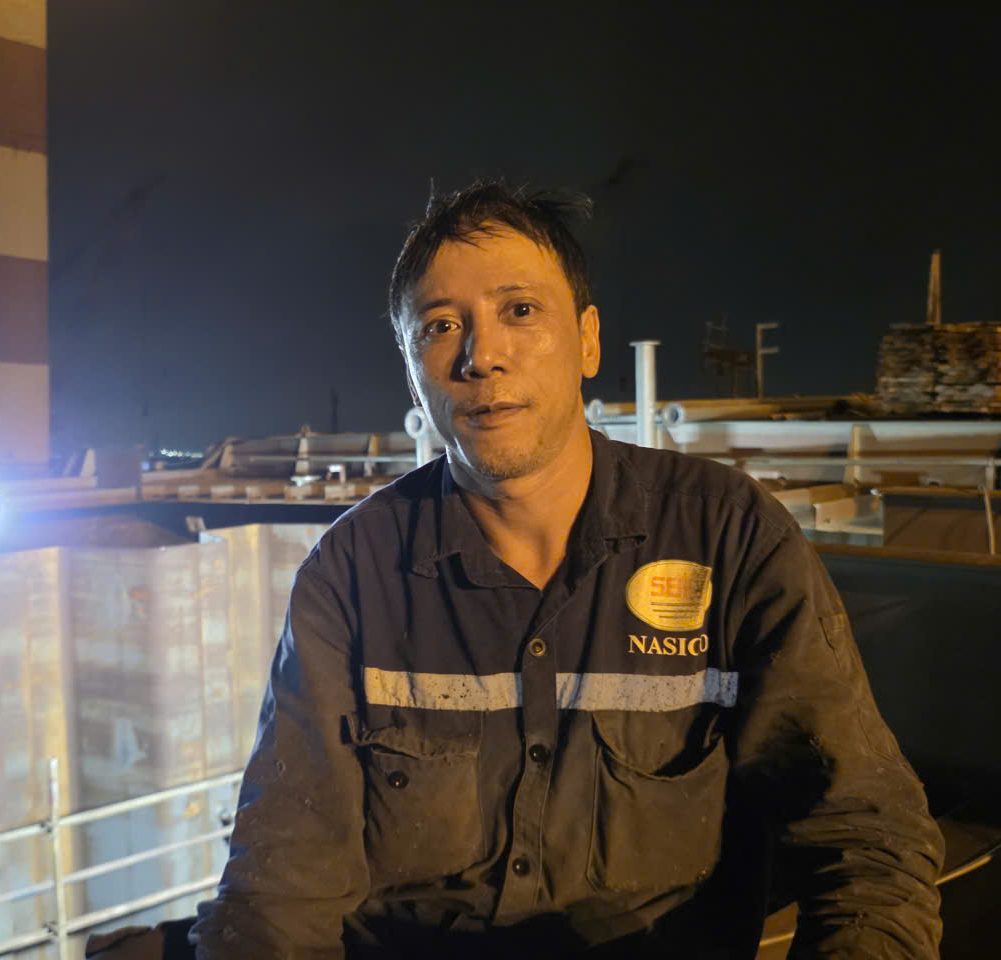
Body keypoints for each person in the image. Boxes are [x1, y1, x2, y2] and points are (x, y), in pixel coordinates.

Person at [186, 181, 943, 957]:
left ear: (588, 341)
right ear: (412, 371)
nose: (482, 356)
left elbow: (865, 837)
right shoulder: (354, 575)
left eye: (520, 310)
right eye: (442, 326)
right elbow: (282, 886)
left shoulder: (729, 537)